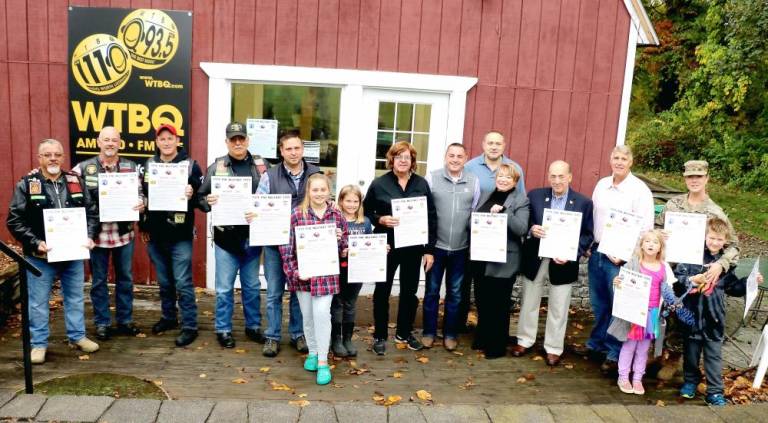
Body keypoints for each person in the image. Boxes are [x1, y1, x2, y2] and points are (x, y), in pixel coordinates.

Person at [7, 139, 100, 363]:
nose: (53, 159)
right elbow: (14, 220)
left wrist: (89, 235)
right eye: (47, 155)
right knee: (38, 302)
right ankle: (38, 344)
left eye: (57, 154)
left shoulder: (75, 181)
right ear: (39, 158)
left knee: (75, 297)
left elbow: (92, 212)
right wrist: (34, 242)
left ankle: (77, 336)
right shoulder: (27, 184)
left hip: (73, 254)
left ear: (63, 157)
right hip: (40, 256)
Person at [654, 160, 741, 380]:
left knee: (683, 315)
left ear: (706, 178)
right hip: (670, 269)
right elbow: (656, 228)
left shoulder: (714, 212)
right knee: (663, 311)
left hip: (697, 275)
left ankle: (674, 358)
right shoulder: (673, 204)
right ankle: (657, 353)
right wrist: (659, 235)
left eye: (699, 176)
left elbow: (734, 245)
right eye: (690, 176)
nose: (694, 180)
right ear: (684, 178)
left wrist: (721, 264)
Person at [513, 160, 593, 366]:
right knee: (529, 301)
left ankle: (554, 347)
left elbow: (587, 235)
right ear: (549, 176)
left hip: (563, 261)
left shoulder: (583, 202)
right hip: (535, 257)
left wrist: (572, 253)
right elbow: (525, 221)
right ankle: (525, 339)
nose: (557, 180)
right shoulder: (536, 195)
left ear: (570, 177)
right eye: (553, 176)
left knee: (559, 305)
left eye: (561, 176)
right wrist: (532, 229)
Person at [675, 217, 762, 406]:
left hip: (714, 321)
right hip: (691, 318)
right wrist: (692, 280)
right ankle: (690, 382)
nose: (715, 242)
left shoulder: (726, 265)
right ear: (704, 237)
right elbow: (678, 279)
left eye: (719, 239)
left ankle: (714, 391)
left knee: (714, 357)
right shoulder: (691, 257)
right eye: (711, 238)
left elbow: (734, 288)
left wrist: (750, 281)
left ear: (725, 241)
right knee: (690, 355)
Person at [198, 122, 270, 348]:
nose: (238, 143)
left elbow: (273, 194)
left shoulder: (261, 165)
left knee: (251, 287)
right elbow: (200, 197)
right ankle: (223, 329)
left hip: (253, 237)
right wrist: (208, 202)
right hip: (225, 239)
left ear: (248, 140)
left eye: (241, 139)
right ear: (227, 142)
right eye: (233, 139)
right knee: (223, 289)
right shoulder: (217, 166)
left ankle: (253, 327)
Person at [585, 145, 654, 373]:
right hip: (598, 253)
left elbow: (645, 229)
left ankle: (614, 353)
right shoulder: (601, 185)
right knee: (600, 304)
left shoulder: (639, 190)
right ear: (610, 159)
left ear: (631, 162)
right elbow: (594, 217)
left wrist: (626, 255)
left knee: (620, 307)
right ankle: (597, 345)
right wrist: (589, 244)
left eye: (624, 158)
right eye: (616, 157)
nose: (619, 162)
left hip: (622, 259)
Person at [364, 141, 437, 355]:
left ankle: (404, 332)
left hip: (413, 246)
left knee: (409, 291)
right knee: (382, 291)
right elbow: (366, 212)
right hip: (386, 245)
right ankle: (379, 335)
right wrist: (380, 220)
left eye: (407, 157)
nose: (403, 160)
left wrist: (429, 249)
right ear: (392, 160)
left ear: (412, 161)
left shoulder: (421, 184)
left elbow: (431, 217)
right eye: (399, 156)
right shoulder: (379, 184)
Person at [72, 126, 145, 341]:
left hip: (123, 234)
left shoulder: (130, 167)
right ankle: (102, 323)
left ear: (120, 143)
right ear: (98, 142)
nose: (110, 144)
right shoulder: (83, 168)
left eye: (114, 140)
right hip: (97, 237)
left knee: (125, 279)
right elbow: (68, 189)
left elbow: (140, 193)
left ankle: (125, 320)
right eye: (106, 140)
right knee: (98, 282)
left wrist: (142, 202)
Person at [279, 173, 348, 385]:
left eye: (323, 189)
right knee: (307, 316)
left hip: (326, 275)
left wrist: (341, 243)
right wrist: (295, 272)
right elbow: (286, 247)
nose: (319, 193)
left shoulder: (337, 215)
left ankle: (322, 361)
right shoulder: (296, 215)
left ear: (329, 191)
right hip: (304, 276)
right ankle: (313, 351)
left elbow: (346, 245)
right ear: (308, 191)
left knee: (321, 313)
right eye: (315, 190)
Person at [257, 132, 320, 357]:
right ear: (281, 151)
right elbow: (259, 206)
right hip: (275, 243)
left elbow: (324, 202)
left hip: (304, 245)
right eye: (288, 149)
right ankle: (272, 336)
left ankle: (298, 334)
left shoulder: (315, 174)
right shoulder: (269, 176)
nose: (293, 153)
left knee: (299, 291)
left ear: (302, 149)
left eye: (297, 148)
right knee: (274, 292)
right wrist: (253, 214)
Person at [140, 124, 203, 347]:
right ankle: (168, 317)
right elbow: (142, 197)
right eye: (162, 139)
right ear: (157, 142)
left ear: (177, 140)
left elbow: (202, 198)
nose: (166, 142)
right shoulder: (147, 165)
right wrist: (143, 226)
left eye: (170, 138)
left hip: (180, 234)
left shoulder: (191, 166)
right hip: (156, 234)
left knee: (183, 282)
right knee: (165, 281)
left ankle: (190, 326)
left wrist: (192, 193)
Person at [460, 130, 525, 331]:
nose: (494, 146)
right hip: (480, 247)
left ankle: (494, 339)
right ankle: (476, 333)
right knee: (478, 293)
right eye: (490, 142)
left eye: (498, 143)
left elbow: (519, 208)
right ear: (483, 144)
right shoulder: (470, 167)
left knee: (499, 299)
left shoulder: (516, 169)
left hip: (505, 250)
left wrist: (505, 213)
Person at [422, 143, 480, 351]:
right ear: (445, 157)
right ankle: (429, 332)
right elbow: (426, 211)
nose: (455, 159)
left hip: (460, 249)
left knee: (455, 293)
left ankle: (450, 334)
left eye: (459, 156)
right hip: (436, 248)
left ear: (466, 158)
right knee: (432, 291)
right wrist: (427, 247)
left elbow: (474, 213)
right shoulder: (433, 178)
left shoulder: (474, 181)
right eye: (451, 155)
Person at [472, 164, 529, 359]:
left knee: (499, 304)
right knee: (483, 301)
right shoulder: (487, 194)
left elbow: (521, 228)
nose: (503, 180)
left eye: (508, 177)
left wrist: (505, 212)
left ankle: (496, 346)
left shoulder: (521, 200)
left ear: (515, 181)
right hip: (483, 257)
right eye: (501, 176)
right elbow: (476, 217)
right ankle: (483, 337)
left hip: (505, 260)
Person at [609, 230, 676, 395]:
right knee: (629, 346)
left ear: (660, 247)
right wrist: (617, 283)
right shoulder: (633, 263)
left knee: (643, 348)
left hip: (652, 313)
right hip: (634, 312)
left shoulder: (664, 267)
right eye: (647, 241)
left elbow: (669, 290)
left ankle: (638, 378)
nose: (651, 245)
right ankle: (623, 377)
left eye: (655, 242)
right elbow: (621, 285)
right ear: (641, 244)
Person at [331, 185, 373, 357]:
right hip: (339, 269)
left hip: (357, 270)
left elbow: (370, 244)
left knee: (351, 303)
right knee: (338, 303)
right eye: (348, 200)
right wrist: (340, 250)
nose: (352, 204)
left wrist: (380, 248)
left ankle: (348, 338)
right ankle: (336, 339)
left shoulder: (366, 222)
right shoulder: (335, 220)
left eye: (355, 201)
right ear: (341, 201)